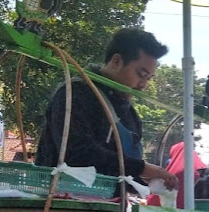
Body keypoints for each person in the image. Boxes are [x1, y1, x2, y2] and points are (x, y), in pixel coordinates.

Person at [35, 27, 178, 192]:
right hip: (61, 205)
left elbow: (122, 176)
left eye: (148, 78)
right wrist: (141, 168)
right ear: (117, 61)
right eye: (140, 74)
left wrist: (149, 180)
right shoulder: (74, 94)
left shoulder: (130, 116)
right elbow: (77, 153)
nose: (143, 85)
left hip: (110, 211)